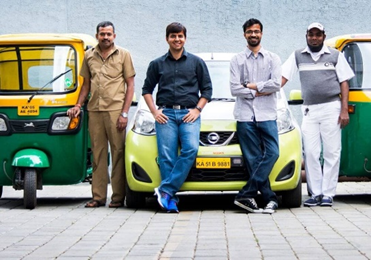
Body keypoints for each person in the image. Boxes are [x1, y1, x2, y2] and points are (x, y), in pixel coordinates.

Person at [142, 22, 212, 213]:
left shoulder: (196, 62)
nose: (177, 39)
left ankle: (165, 190)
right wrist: (155, 112)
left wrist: (197, 110)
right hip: (166, 115)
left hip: (189, 113)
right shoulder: (157, 64)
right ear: (167, 39)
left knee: (191, 148)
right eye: (173, 36)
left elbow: (207, 90)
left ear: (185, 38)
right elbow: (147, 90)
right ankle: (169, 200)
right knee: (166, 156)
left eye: (180, 36)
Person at [281, 22, 354, 207]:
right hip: (309, 110)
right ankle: (316, 193)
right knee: (312, 153)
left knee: (332, 152)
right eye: (311, 34)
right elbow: (282, 78)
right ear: (306, 35)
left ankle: (328, 194)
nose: (314, 38)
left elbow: (344, 82)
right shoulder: (298, 55)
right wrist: (264, 92)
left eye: (318, 34)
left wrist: (344, 109)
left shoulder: (335, 55)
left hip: (332, 108)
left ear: (323, 36)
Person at [67, 21, 136, 208]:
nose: (105, 37)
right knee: (97, 155)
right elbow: (86, 85)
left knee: (118, 154)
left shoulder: (124, 55)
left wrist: (124, 113)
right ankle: (98, 197)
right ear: (97, 35)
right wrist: (78, 104)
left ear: (114, 35)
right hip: (95, 111)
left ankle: (118, 198)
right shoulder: (89, 56)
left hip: (115, 111)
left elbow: (130, 85)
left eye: (109, 34)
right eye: (102, 34)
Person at [230, 18, 281, 214]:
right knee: (253, 158)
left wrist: (250, 86)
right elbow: (235, 89)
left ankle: (246, 193)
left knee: (273, 153)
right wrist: (260, 89)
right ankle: (270, 199)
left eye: (256, 31)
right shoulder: (237, 60)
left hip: (267, 114)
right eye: (250, 31)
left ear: (261, 33)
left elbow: (276, 84)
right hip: (245, 116)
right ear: (244, 34)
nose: (253, 34)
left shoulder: (272, 58)